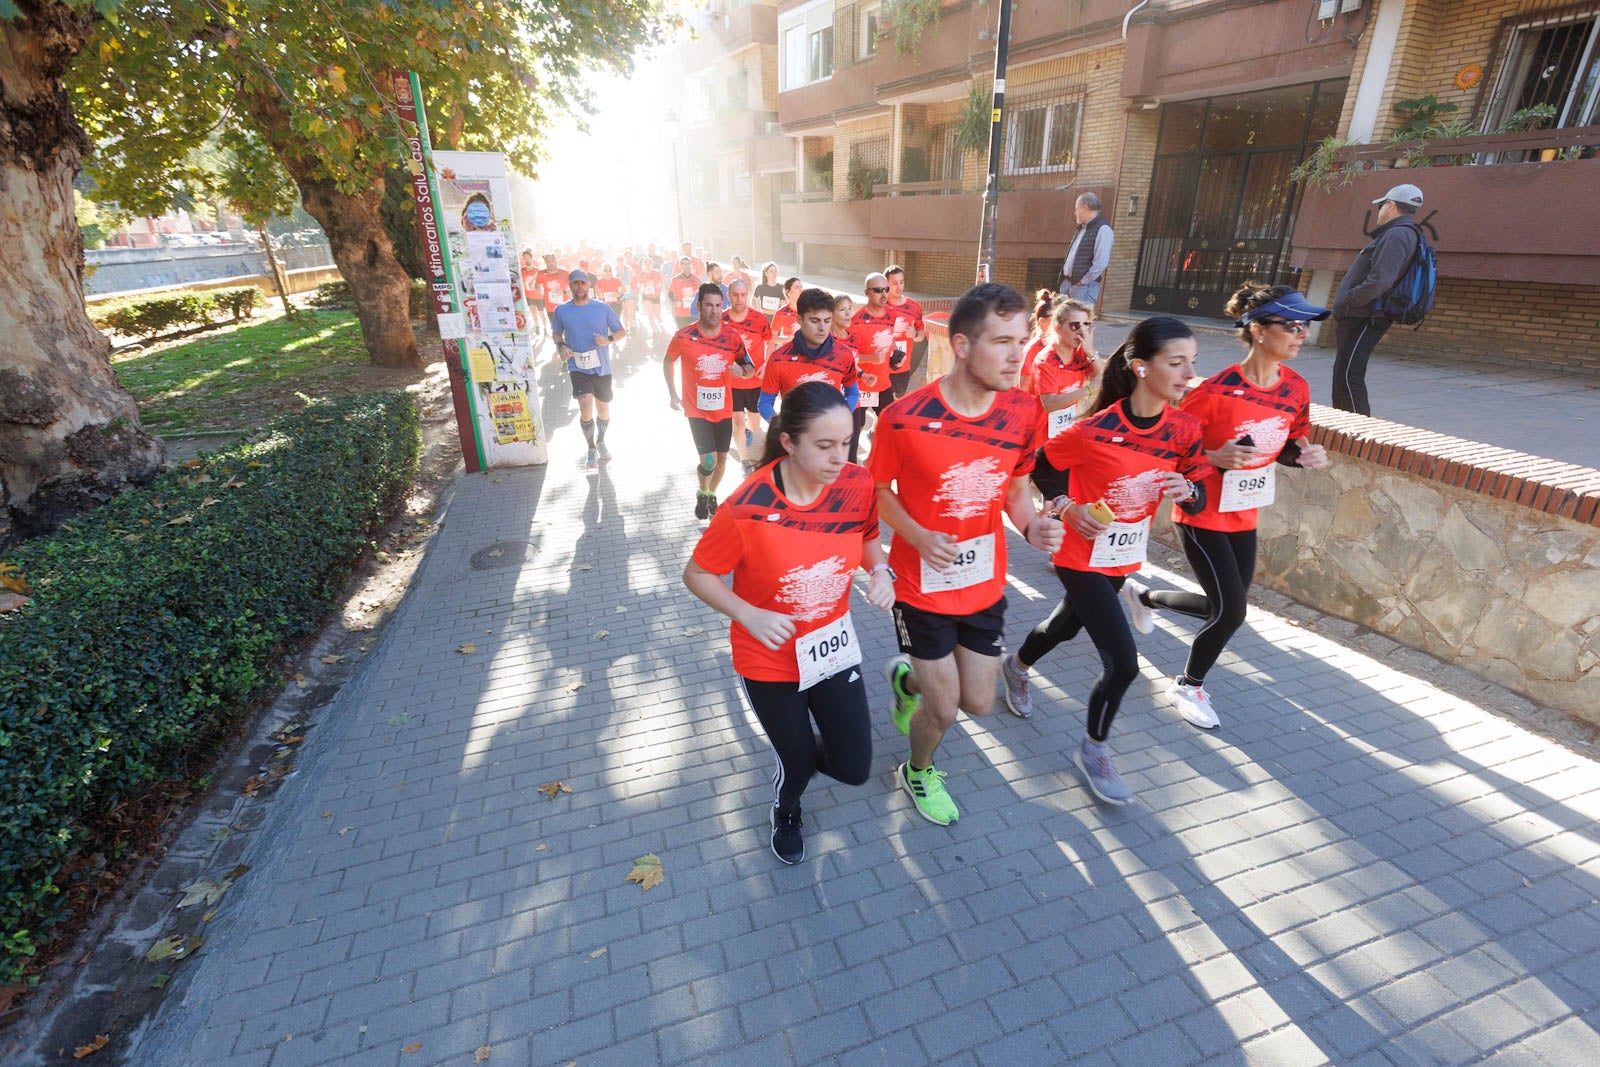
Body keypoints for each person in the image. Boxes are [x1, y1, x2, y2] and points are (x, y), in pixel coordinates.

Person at [869, 283, 1064, 826]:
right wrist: (918, 535)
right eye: (1001, 341)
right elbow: (879, 491)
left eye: (1022, 340)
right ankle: (917, 769)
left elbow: (1016, 488)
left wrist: (1031, 526)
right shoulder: (904, 418)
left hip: (982, 583)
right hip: (921, 586)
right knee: (946, 710)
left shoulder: (1025, 412)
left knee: (979, 702)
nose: (1016, 354)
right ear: (960, 345)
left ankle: (905, 682)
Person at [683, 382, 897, 864]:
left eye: (846, 442)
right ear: (789, 442)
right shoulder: (746, 507)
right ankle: (787, 805)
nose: (840, 457)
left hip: (830, 646)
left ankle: (800, 753)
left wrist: (880, 570)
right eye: (824, 445)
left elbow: (867, 536)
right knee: (796, 760)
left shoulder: (857, 485)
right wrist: (747, 612)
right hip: (768, 659)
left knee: (854, 765)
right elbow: (696, 574)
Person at [1000, 317, 1210, 806]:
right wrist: (1066, 506)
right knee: (1123, 664)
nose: (1188, 373)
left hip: (1122, 555)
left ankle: (1016, 666)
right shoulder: (1097, 428)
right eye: (1176, 363)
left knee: (1067, 625)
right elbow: (1044, 465)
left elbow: (1197, 493)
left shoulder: (1184, 429)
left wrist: (1190, 490)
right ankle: (1094, 750)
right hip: (1078, 552)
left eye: (1192, 362)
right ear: (1141, 368)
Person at [1125, 284, 1331, 729]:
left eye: (1305, 326)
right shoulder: (1214, 392)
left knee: (1225, 606)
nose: (1302, 334)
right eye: (1293, 325)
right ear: (1258, 330)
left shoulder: (1296, 388)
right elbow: (1171, 452)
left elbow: (1286, 445)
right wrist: (1215, 458)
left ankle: (1145, 596)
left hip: (1245, 510)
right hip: (1202, 510)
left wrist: (1305, 455)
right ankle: (1188, 684)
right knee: (1232, 612)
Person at [664, 282, 759, 518]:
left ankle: (710, 493)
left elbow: (750, 366)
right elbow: (668, 361)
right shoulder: (684, 336)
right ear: (699, 306)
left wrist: (742, 371)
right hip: (696, 409)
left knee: (722, 460)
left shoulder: (732, 337)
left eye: (718, 305)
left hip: (723, 408)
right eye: (709, 305)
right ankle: (702, 489)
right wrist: (672, 394)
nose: (715, 311)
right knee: (708, 462)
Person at [1330, 183, 1425, 415]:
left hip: (1365, 316)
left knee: (1349, 375)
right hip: (1363, 315)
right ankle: (1346, 433)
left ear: (1391, 206)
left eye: (1381, 206)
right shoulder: (1400, 233)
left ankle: (1356, 436)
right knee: (1346, 374)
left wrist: (1348, 302)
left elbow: (1380, 280)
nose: (1379, 211)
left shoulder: (1397, 235)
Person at [549, 269, 627, 470]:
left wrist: (607, 339)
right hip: (577, 367)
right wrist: (562, 346)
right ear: (570, 285)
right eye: (576, 283)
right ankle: (591, 448)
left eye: (583, 283)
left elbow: (621, 331)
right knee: (585, 408)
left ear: (589, 285)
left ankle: (601, 440)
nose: (580, 286)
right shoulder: (562, 310)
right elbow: (556, 334)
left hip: (602, 368)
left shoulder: (602, 308)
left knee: (603, 408)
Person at [759, 287, 860, 421]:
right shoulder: (778, 358)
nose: (822, 328)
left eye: (827, 320)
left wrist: (842, 414)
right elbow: (765, 402)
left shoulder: (844, 355)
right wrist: (779, 427)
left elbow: (853, 392)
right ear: (799, 319)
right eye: (815, 321)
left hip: (830, 437)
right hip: (795, 439)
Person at [722, 277, 775, 471]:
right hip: (732, 382)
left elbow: (771, 341)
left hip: (755, 381)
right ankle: (745, 461)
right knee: (737, 422)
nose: (739, 299)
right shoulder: (722, 320)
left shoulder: (758, 319)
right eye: (735, 295)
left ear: (748, 296)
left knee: (754, 424)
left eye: (743, 295)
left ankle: (747, 437)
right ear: (728, 296)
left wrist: (766, 365)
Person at [847, 273, 898, 463]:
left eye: (886, 289)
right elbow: (846, 356)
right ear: (866, 293)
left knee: (888, 426)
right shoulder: (856, 321)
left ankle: (872, 462)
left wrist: (894, 358)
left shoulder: (892, 316)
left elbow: (890, 342)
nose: (883, 294)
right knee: (855, 429)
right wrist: (870, 358)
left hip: (883, 384)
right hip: (858, 387)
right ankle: (851, 469)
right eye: (878, 290)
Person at [1058, 192, 1113, 307]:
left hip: (1082, 288)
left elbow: (1101, 263)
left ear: (1085, 208)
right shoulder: (1082, 228)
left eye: (1076, 209)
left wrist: (1082, 281)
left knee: (1080, 323)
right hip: (1068, 284)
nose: (1075, 213)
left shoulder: (1103, 229)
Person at [884, 265, 926, 399]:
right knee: (884, 407)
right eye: (894, 283)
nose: (899, 287)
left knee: (897, 404)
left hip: (903, 366)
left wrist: (914, 334)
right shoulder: (880, 306)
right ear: (886, 284)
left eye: (901, 282)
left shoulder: (914, 306)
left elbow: (921, 336)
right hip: (883, 366)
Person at [1018, 289, 1055, 394]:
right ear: (1043, 322)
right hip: (1036, 406)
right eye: (1056, 318)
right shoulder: (1034, 348)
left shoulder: (1057, 346)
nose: (1061, 323)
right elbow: (1023, 385)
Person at [535, 253, 571, 335]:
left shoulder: (565, 273)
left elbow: (574, 288)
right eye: (548, 261)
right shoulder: (541, 274)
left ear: (556, 261)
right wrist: (539, 291)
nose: (551, 263)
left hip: (564, 307)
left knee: (567, 330)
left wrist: (564, 292)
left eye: (552, 260)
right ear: (545, 262)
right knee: (556, 331)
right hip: (551, 308)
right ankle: (559, 346)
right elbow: (537, 285)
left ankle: (567, 345)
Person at [634, 255, 666, 343]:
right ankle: (653, 331)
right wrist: (642, 287)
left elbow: (660, 283)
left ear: (652, 264)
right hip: (646, 296)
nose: (648, 264)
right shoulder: (641, 274)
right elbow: (639, 285)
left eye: (649, 263)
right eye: (646, 263)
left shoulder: (656, 273)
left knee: (656, 314)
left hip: (656, 295)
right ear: (643, 264)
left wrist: (657, 286)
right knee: (650, 314)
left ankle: (658, 318)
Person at [667, 255, 701, 332]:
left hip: (694, 313)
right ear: (681, 266)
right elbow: (670, 294)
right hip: (680, 313)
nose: (686, 266)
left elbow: (701, 295)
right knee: (683, 335)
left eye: (688, 264)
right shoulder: (675, 279)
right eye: (684, 264)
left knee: (694, 335)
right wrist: (675, 301)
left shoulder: (697, 280)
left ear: (691, 265)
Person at [519, 248, 547, 337]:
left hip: (539, 296)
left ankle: (545, 327)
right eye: (525, 258)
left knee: (541, 314)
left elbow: (542, 282)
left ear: (531, 258)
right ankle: (537, 326)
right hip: (529, 296)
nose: (527, 260)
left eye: (528, 258)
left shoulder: (537, 270)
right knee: (533, 313)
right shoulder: (521, 271)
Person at [771, 276, 804, 349]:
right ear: (788, 292)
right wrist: (786, 339)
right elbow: (771, 337)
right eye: (797, 287)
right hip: (789, 353)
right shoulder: (781, 313)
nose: (800, 290)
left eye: (801, 287)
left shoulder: (809, 310)